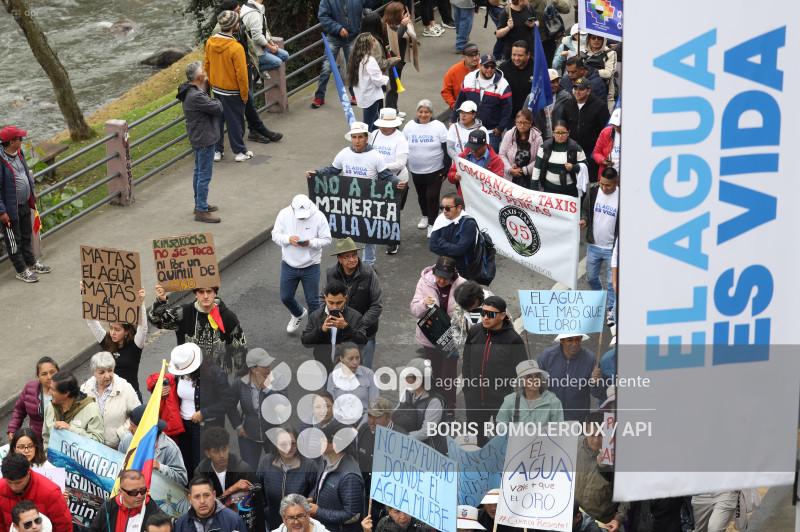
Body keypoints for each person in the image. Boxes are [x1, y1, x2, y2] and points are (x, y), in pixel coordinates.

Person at [306, 121, 406, 268]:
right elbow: (332, 170)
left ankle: (368, 265)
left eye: (360, 137)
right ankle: (346, 262)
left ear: (366, 138)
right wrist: (317, 173)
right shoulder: (343, 153)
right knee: (345, 232)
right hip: (348, 203)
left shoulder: (375, 156)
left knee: (370, 235)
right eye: (354, 137)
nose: (357, 141)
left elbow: (385, 176)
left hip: (368, 203)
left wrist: (396, 182)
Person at [212, 0, 284, 146]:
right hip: (233, 76)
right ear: (229, 14)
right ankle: (256, 131)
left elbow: (248, 47)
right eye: (237, 11)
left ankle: (254, 131)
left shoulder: (239, 25)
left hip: (245, 68)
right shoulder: (218, 33)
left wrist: (252, 64)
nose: (240, 13)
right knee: (246, 102)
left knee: (248, 101)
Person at [462, 296, 526, 446]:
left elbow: (522, 374)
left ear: (502, 315)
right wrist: (468, 390)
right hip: (475, 399)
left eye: (490, 314)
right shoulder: (475, 331)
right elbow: (467, 363)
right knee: (475, 440)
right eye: (483, 313)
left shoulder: (513, 340)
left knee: (503, 442)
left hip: (502, 402)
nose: (485, 317)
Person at [168, 342, 237, 471]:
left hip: (204, 428)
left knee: (199, 466)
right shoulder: (179, 371)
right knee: (184, 463)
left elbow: (228, 401)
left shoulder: (215, 373)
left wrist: (204, 413)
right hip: (183, 426)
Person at [149, 284, 247, 374]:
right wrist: (161, 301)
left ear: (215, 293)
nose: (205, 296)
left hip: (217, 378)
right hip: (189, 376)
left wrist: (240, 379)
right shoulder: (184, 312)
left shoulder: (227, 316)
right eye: (201, 292)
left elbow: (239, 348)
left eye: (209, 291)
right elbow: (156, 320)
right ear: (195, 294)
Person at [409, 257, 466, 412]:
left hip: (452, 338)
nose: (441, 281)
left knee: (449, 375)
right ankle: (437, 404)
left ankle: (450, 408)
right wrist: (423, 304)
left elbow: (470, 310)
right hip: (430, 338)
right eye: (439, 276)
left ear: (453, 276)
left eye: (445, 278)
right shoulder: (424, 282)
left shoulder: (463, 285)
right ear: (434, 272)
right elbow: (414, 310)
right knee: (435, 374)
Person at [273, 194, 332, 334]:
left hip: (311, 266)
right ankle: (298, 313)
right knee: (285, 297)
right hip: (289, 264)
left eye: (304, 215)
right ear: (291, 207)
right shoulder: (283, 214)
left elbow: (327, 239)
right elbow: (275, 235)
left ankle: (315, 330)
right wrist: (288, 239)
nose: (302, 218)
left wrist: (310, 243)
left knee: (312, 301)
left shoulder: (318, 216)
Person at [321, 238, 383, 368]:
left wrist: (355, 326)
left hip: (365, 334)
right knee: (338, 371)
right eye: (347, 256)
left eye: (354, 255)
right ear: (339, 259)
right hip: (339, 333)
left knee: (364, 370)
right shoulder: (330, 273)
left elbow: (376, 305)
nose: (352, 259)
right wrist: (332, 318)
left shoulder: (369, 273)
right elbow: (322, 298)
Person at [0, 126, 50, 283]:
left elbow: (25, 171)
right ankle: (21, 270)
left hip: (23, 203)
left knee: (26, 235)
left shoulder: (19, 153)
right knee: (14, 240)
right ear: (12, 142)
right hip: (9, 210)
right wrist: (2, 211)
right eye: (20, 138)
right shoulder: (0, 161)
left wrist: (32, 189)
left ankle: (31, 263)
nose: (22, 140)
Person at [312, 0, 383, 108]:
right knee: (326, 67)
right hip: (333, 37)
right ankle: (319, 96)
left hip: (352, 37)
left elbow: (370, 3)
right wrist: (338, 28)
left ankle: (355, 94)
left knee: (354, 67)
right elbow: (323, 17)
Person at [177, 61, 224, 223]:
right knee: (204, 175)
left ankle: (200, 204)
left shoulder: (190, 90)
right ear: (199, 77)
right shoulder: (196, 95)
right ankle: (201, 210)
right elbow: (218, 108)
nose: (205, 71)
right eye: (203, 70)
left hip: (198, 136)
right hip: (204, 138)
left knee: (199, 172)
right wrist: (216, 101)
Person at [205, 11, 253, 162]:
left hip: (217, 89)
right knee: (235, 122)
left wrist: (213, 84)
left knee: (218, 121)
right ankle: (240, 151)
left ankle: (217, 151)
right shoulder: (236, 47)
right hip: (233, 91)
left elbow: (207, 65)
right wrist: (244, 94)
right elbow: (242, 75)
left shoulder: (210, 42)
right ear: (235, 26)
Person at [82, 282, 147, 395]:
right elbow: (91, 322)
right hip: (109, 396)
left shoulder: (135, 345)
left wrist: (141, 302)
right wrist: (86, 295)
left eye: (117, 330)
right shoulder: (106, 340)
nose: (112, 333)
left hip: (130, 395)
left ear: (126, 331)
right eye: (111, 328)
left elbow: (143, 327)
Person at [230, 348, 290, 468]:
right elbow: (230, 406)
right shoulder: (239, 383)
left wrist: (267, 388)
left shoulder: (278, 379)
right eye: (264, 365)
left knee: (276, 468)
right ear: (253, 368)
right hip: (248, 436)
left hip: (273, 434)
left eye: (269, 364)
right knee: (249, 471)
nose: (269, 368)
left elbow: (283, 404)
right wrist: (238, 426)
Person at [402, 100, 450, 238]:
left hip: (435, 170)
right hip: (416, 170)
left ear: (431, 113)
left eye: (426, 112)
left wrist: (446, 169)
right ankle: (424, 215)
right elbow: (402, 146)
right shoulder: (409, 126)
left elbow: (446, 149)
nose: (423, 115)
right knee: (421, 195)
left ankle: (432, 224)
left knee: (432, 196)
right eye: (421, 111)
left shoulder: (439, 126)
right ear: (417, 112)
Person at [575, 412, 628, 532]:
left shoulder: (618, 456)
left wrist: (618, 518)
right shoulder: (573, 445)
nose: (596, 440)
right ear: (585, 432)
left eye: (601, 435)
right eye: (592, 434)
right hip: (574, 520)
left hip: (602, 523)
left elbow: (626, 494)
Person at [257, 428, 318, 531]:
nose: (288, 447)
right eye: (283, 444)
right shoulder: (266, 462)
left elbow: (316, 489)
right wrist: (265, 510)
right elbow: (258, 488)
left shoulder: (310, 466)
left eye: (292, 443)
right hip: (273, 524)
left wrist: (310, 500)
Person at [356, 398, 405, 525]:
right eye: (369, 415)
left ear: (389, 417)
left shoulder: (401, 438)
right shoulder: (363, 430)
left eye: (376, 417)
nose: (371, 420)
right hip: (365, 496)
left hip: (387, 503)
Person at [301, 281, 368, 374]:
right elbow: (305, 342)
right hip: (324, 368)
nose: (335, 307)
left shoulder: (355, 317)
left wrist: (346, 328)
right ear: (325, 298)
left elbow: (362, 342)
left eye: (339, 303)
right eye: (331, 302)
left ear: (345, 298)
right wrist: (321, 330)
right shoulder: (316, 316)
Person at [580, 168, 619, 326]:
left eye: (608, 186)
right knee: (591, 277)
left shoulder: (624, 197)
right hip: (594, 245)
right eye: (602, 184)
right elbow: (585, 211)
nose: (604, 188)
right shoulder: (593, 190)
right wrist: (584, 220)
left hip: (613, 249)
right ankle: (598, 300)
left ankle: (612, 308)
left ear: (617, 182)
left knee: (612, 282)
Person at [308, 421, 364, 532]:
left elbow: (352, 515)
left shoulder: (350, 477)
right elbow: (321, 483)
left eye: (323, 440)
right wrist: (313, 496)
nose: (319, 442)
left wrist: (318, 512)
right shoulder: (324, 459)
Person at [450, 55, 512, 152]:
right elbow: (460, 101)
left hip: (491, 132)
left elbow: (507, 109)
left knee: (489, 163)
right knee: (469, 158)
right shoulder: (468, 78)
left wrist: (500, 127)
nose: (489, 69)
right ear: (480, 65)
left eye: (492, 67)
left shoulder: (503, 84)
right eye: (486, 66)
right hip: (469, 129)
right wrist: (453, 119)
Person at [537, 333, 604, 422]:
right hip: (550, 417)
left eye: (577, 340)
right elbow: (536, 390)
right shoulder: (546, 357)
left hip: (578, 419)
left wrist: (595, 382)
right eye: (570, 340)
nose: (574, 343)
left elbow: (597, 393)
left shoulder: (590, 359)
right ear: (562, 341)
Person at [79, 352, 140, 449]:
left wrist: (119, 435)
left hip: (118, 448)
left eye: (110, 370)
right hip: (91, 448)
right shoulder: (84, 389)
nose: (107, 376)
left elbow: (138, 416)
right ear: (93, 373)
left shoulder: (125, 388)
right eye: (102, 372)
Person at [369, 110, 409, 255]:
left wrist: (379, 166)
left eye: (387, 125)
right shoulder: (374, 135)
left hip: (397, 181)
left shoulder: (400, 139)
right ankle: (382, 232)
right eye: (381, 124)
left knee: (393, 212)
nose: (383, 128)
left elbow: (400, 163)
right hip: (378, 181)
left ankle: (392, 241)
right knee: (378, 210)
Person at [118, 405, 188, 487]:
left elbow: (182, 479)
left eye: (133, 426)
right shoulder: (127, 440)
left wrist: (160, 467)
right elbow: (119, 464)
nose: (129, 429)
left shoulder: (170, 448)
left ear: (145, 428)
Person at [0, 454, 71, 532]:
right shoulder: (1, 487)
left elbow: (64, 526)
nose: (14, 488)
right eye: (9, 482)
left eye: (18, 483)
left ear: (28, 473)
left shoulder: (51, 493)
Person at [392, 359, 446, 453]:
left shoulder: (434, 401)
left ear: (418, 380)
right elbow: (395, 412)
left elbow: (427, 431)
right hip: (409, 445)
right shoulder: (408, 391)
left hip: (429, 450)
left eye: (407, 376)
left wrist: (403, 437)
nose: (404, 378)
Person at [42, 370, 104, 449]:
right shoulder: (50, 406)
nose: (49, 392)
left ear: (66, 393)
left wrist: (70, 429)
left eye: (53, 389)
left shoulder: (91, 409)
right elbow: (46, 437)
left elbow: (98, 442)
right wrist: (47, 456)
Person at [195, 427, 258, 500]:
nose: (222, 455)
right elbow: (205, 505)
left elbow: (256, 501)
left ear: (229, 447)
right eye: (216, 451)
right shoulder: (201, 473)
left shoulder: (244, 470)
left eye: (224, 449)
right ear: (207, 453)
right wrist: (230, 490)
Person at [88, 470, 163, 532]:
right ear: (121, 492)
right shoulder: (108, 507)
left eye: (143, 491)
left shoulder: (156, 514)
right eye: (133, 492)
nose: (139, 496)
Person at [495, 360, 564, 424]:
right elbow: (501, 423)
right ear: (521, 381)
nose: (534, 380)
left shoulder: (553, 402)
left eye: (537, 376)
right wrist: (509, 433)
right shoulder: (510, 400)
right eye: (529, 377)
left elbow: (558, 429)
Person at [326, 343, 379, 426]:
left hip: (366, 424)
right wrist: (346, 427)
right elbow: (332, 405)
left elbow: (374, 404)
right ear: (341, 359)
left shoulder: (369, 374)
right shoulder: (333, 377)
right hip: (341, 425)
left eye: (357, 358)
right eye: (350, 359)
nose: (355, 362)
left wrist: (361, 427)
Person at [570, 77, 610, 183]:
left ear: (588, 91)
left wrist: (597, 154)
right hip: (573, 153)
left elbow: (606, 131)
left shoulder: (600, 106)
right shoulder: (568, 104)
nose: (577, 92)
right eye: (575, 89)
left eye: (581, 89)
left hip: (591, 154)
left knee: (590, 185)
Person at [8, 358, 58, 441]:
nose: (49, 377)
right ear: (38, 376)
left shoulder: (67, 390)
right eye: (44, 374)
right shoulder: (29, 388)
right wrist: (13, 428)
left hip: (59, 441)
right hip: (37, 440)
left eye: (52, 372)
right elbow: (19, 410)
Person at [533, 119, 586, 197]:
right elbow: (537, 167)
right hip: (549, 190)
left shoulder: (576, 148)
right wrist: (534, 186)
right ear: (553, 133)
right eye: (557, 133)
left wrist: (573, 167)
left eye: (563, 133)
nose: (560, 136)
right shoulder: (544, 147)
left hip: (570, 191)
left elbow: (585, 166)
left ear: (568, 133)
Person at [428, 193, 477, 276]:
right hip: (444, 265)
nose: (444, 211)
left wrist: (441, 242)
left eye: (447, 208)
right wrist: (454, 251)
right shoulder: (441, 219)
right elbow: (432, 246)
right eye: (442, 207)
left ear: (459, 208)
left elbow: (460, 250)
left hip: (462, 269)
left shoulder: (469, 224)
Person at [175, 477, 247, 532]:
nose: (202, 501)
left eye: (206, 495)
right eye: (197, 497)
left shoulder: (233, 520)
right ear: (190, 499)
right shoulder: (181, 524)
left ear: (214, 495)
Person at [348, 33, 389, 130]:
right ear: (369, 44)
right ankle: (366, 144)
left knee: (375, 123)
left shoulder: (355, 59)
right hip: (371, 97)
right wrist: (386, 78)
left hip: (363, 96)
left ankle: (376, 141)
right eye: (373, 41)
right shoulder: (370, 60)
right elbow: (377, 80)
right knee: (367, 126)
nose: (374, 43)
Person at [446, 129, 504, 197]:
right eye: (471, 147)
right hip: (465, 199)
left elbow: (498, 185)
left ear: (485, 145)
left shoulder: (496, 161)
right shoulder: (462, 156)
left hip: (485, 200)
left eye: (476, 148)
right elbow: (450, 175)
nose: (473, 151)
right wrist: (455, 176)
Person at [382, 3, 416, 113]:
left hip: (398, 61)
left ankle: (394, 109)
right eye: (401, 12)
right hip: (392, 61)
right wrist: (403, 25)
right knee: (392, 88)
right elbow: (394, 41)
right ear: (396, 15)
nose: (403, 14)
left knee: (395, 86)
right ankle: (391, 111)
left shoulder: (396, 24)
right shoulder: (387, 27)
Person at [240, 0, 289, 74]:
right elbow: (257, 37)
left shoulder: (254, 7)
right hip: (253, 51)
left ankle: (258, 68)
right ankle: (254, 69)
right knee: (277, 62)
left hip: (260, 46)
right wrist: (270, 48)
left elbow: (263, 29)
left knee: (285, 55)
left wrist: (272, 43)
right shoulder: (254, 13)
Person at [498, 109, 542, 188]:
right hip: (510, 176)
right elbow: (502, 154)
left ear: (530, 123)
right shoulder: (509, 134)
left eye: (525, 123)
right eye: (519, 122)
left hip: (529, 178)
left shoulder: (537, 138)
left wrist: (524, 170)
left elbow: (539, 159)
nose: (522, 125)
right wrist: (510, 170)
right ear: (516, 122)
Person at [451, 281, 493, 352]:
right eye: (463, 306)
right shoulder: (461, 303)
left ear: (477, 298)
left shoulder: (493, 303)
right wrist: (461, 345)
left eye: (469, 306)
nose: (465, 309)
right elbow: (454, 325)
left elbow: (507, 326)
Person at [535, 68, 577, 139]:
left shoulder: (566, 97)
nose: (556, 84)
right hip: (539, 138)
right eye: (552, 82)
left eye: (557, 81)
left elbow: (572, 120)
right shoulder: (533, 98)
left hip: (560, 138)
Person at [498, 41, 534, 120]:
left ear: (528, 55)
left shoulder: (537, 68)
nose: (516, 58)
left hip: (530, 115)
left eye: (520, 55)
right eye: (514, 55)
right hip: (510, 116)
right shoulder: (503, 68)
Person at [581, 34, 617, 112]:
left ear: (603, 40)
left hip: (606, 96)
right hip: (585, 95)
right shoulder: (582, 53)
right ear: (588, 39)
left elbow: (609, 73)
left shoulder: (610, 53)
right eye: (593, 38)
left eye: (599, 38)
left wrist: (590, 72)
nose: (596, 40)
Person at [441, 44, 480, 111]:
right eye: (471, 56)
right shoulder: (454, 71)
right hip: (462, 111)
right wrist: (454, 106)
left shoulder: (485, 69)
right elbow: (446, 91)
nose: (475, 58)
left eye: (476, 55)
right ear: (463, 57)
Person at [591, 107, 621, 181]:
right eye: (614, 125)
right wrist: (602, 160)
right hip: (607, 176)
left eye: (619, 126)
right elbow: (596, 152)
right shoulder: (605, 132)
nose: (616, 128)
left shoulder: (633, 134)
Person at [361, 506, 430, 532]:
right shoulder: (383, 523)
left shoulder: (422, 526)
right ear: (389, 512)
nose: (403, 517)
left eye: (407, 511)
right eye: (397, 512)